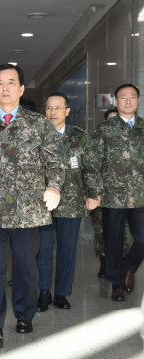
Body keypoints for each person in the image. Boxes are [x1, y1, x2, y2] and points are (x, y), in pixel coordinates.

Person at [0, 64, 66, 348]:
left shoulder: (38, 124)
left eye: (11, 82)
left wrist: (54, 185)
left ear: (21, 89)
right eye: (0, 83)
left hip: (28, 211)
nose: (5, 87)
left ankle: (24, 314)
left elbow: (56, 161)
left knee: (25, 269)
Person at [35, 91, 101, 312]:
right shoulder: (36, 135)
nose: (53, 112)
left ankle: (61, 293)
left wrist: (93, 193)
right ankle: (43, 292)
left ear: (67, 111)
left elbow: (90, 168)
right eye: (49, 108)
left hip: (71, 203)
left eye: (58, 108)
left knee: (67, 249)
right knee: (43, 249)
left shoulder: (80, 136)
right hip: (41, 204)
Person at [90, 83, 144, 302]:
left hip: (140, 194)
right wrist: (95, 192)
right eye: (123, 97)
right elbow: (94, 163)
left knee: (142, 239)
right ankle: (116, 284)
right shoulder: (105, 129)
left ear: (138, 101)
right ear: (116, 101)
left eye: (132, 97)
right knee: (113, 241)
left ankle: (128, 267)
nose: (128, 101)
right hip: (113, 195)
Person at [91, 108, 130, 278]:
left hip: (122, 196)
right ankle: (104, 262)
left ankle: (121, 263)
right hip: (102, 195)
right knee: (101, 230)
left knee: (121, 232)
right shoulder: (99, 139)